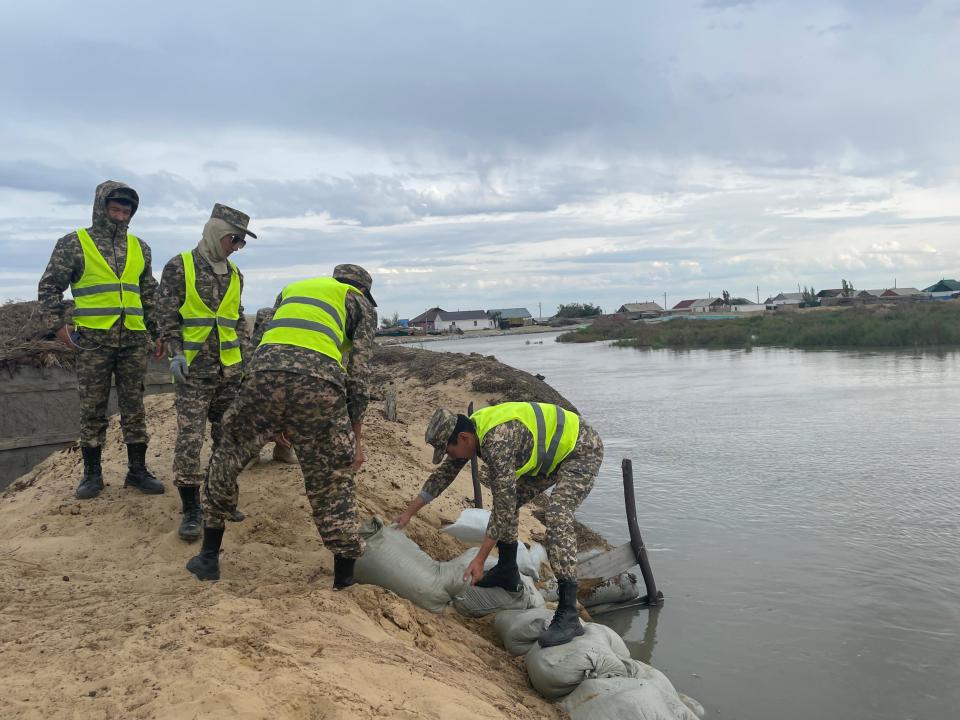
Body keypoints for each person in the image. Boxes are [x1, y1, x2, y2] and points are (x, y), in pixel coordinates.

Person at [186, 264, 378, 588]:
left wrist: (262, 403)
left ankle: (207, 557)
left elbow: (258, 340)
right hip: (319, 384)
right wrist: (355, 437)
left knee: (227, 455)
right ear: (363, 289)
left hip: (263, 374)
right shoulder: (360, 303)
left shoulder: (293, 289)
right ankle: (344, 578)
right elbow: (359, 375)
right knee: (331, 479)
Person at [395, 402, 604, 647]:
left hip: (581, 450)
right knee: (508, 500)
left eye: (449, 451)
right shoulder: (472, 434)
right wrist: (408, 513)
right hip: (551, 453)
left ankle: (568, 612)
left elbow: (503, 507)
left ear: (463, 438)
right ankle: (507, 571)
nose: (450, 457)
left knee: (557, 514)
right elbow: (443, 476)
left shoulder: (497, 442)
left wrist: (481, 559)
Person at [38, 180, 165, 500]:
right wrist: (58, 327)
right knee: (92, 408)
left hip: (134, 340)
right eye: (115, 209)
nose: (121, 216)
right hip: (93, 340)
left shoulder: (141, 247)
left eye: (127, 211)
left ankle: (137, 471)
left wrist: (159, 331)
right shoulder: (74, 243)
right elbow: (49, 287)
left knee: (134, 406)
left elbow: (148, 294)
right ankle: (92, 475)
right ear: (101, 208)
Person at [157, 204, 255, 541]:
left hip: (229, 373)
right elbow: (166, 315)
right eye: (234, 239)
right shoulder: (179, 266)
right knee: (190, 440)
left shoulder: (235, 274)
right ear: (216, 232)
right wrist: (175, 354)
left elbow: (237, 318)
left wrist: (245, 359)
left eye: (241, 242)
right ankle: (191, 510)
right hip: (193, 372)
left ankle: (220, 498)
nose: (237, 246)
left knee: (227, 438)